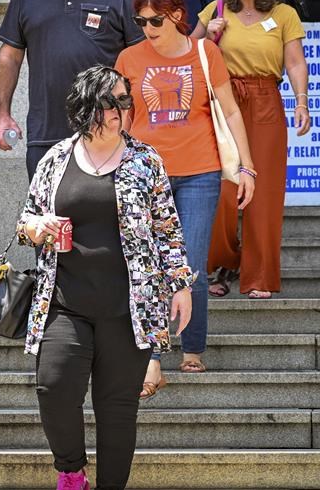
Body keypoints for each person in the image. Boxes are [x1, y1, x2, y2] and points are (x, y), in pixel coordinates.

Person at [16, 65, 194, 490]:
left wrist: (181, 284)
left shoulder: (145, 161)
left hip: (128, 309)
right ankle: (71, 472)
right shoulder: (56, 158)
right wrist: (36, 228)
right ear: (86, 106)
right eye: (109, 101)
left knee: (117, 410)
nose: (119, 109)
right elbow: (26, 221)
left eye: (124, 100)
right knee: (53, 387)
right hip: (64, 304)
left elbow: (167, 229)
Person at [115, 0, 255, 393]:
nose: (147, 28)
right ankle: (152, 356)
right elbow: (123, 119)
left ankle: (192, 346)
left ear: (177, 15)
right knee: (148, 264)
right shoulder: (128, 58)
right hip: (145, 172)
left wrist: (247, 168)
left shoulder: (205, 53)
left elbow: (230, 111)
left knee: (190, 264)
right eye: (140, 21)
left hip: (199, 172)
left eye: (155, 20)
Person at [191, 0, 311, 300]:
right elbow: (185, 57)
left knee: (265, 191)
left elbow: (295, 62)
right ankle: (222, 263)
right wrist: (206, 40)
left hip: (266, 100)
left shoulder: (283, 14)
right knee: (222, 191)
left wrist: (302, 102)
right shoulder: (215, 10)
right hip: (224, 102)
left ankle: (259, 275)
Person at [0, 0, 144, 181]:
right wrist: (2, 114)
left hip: (105, 130)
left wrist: (134, 121)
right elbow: (9, 58)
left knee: (104, 208)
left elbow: (141, 57)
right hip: (45, 134)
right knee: (47, 208)